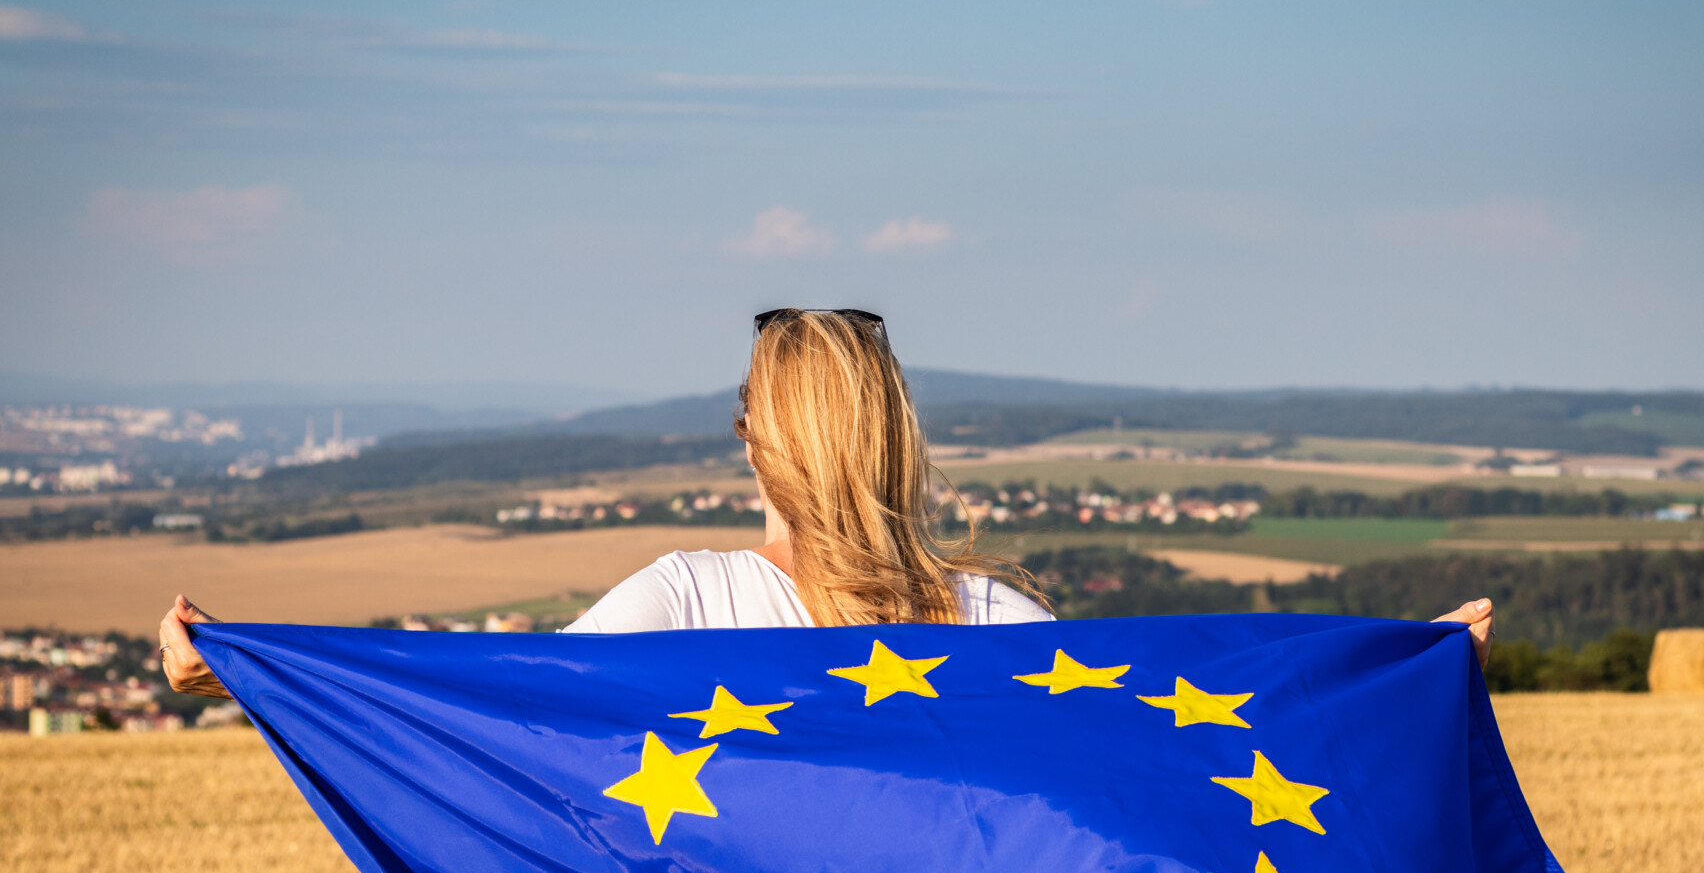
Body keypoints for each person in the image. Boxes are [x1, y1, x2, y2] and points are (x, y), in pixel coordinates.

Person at [158, 308, 1494, 696]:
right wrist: (1401, 672)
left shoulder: (682, 600)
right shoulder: (998, 619)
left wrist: (245, 665)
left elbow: (493, 708)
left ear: (751, 441)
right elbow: (1188, 719)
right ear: (899, 443)